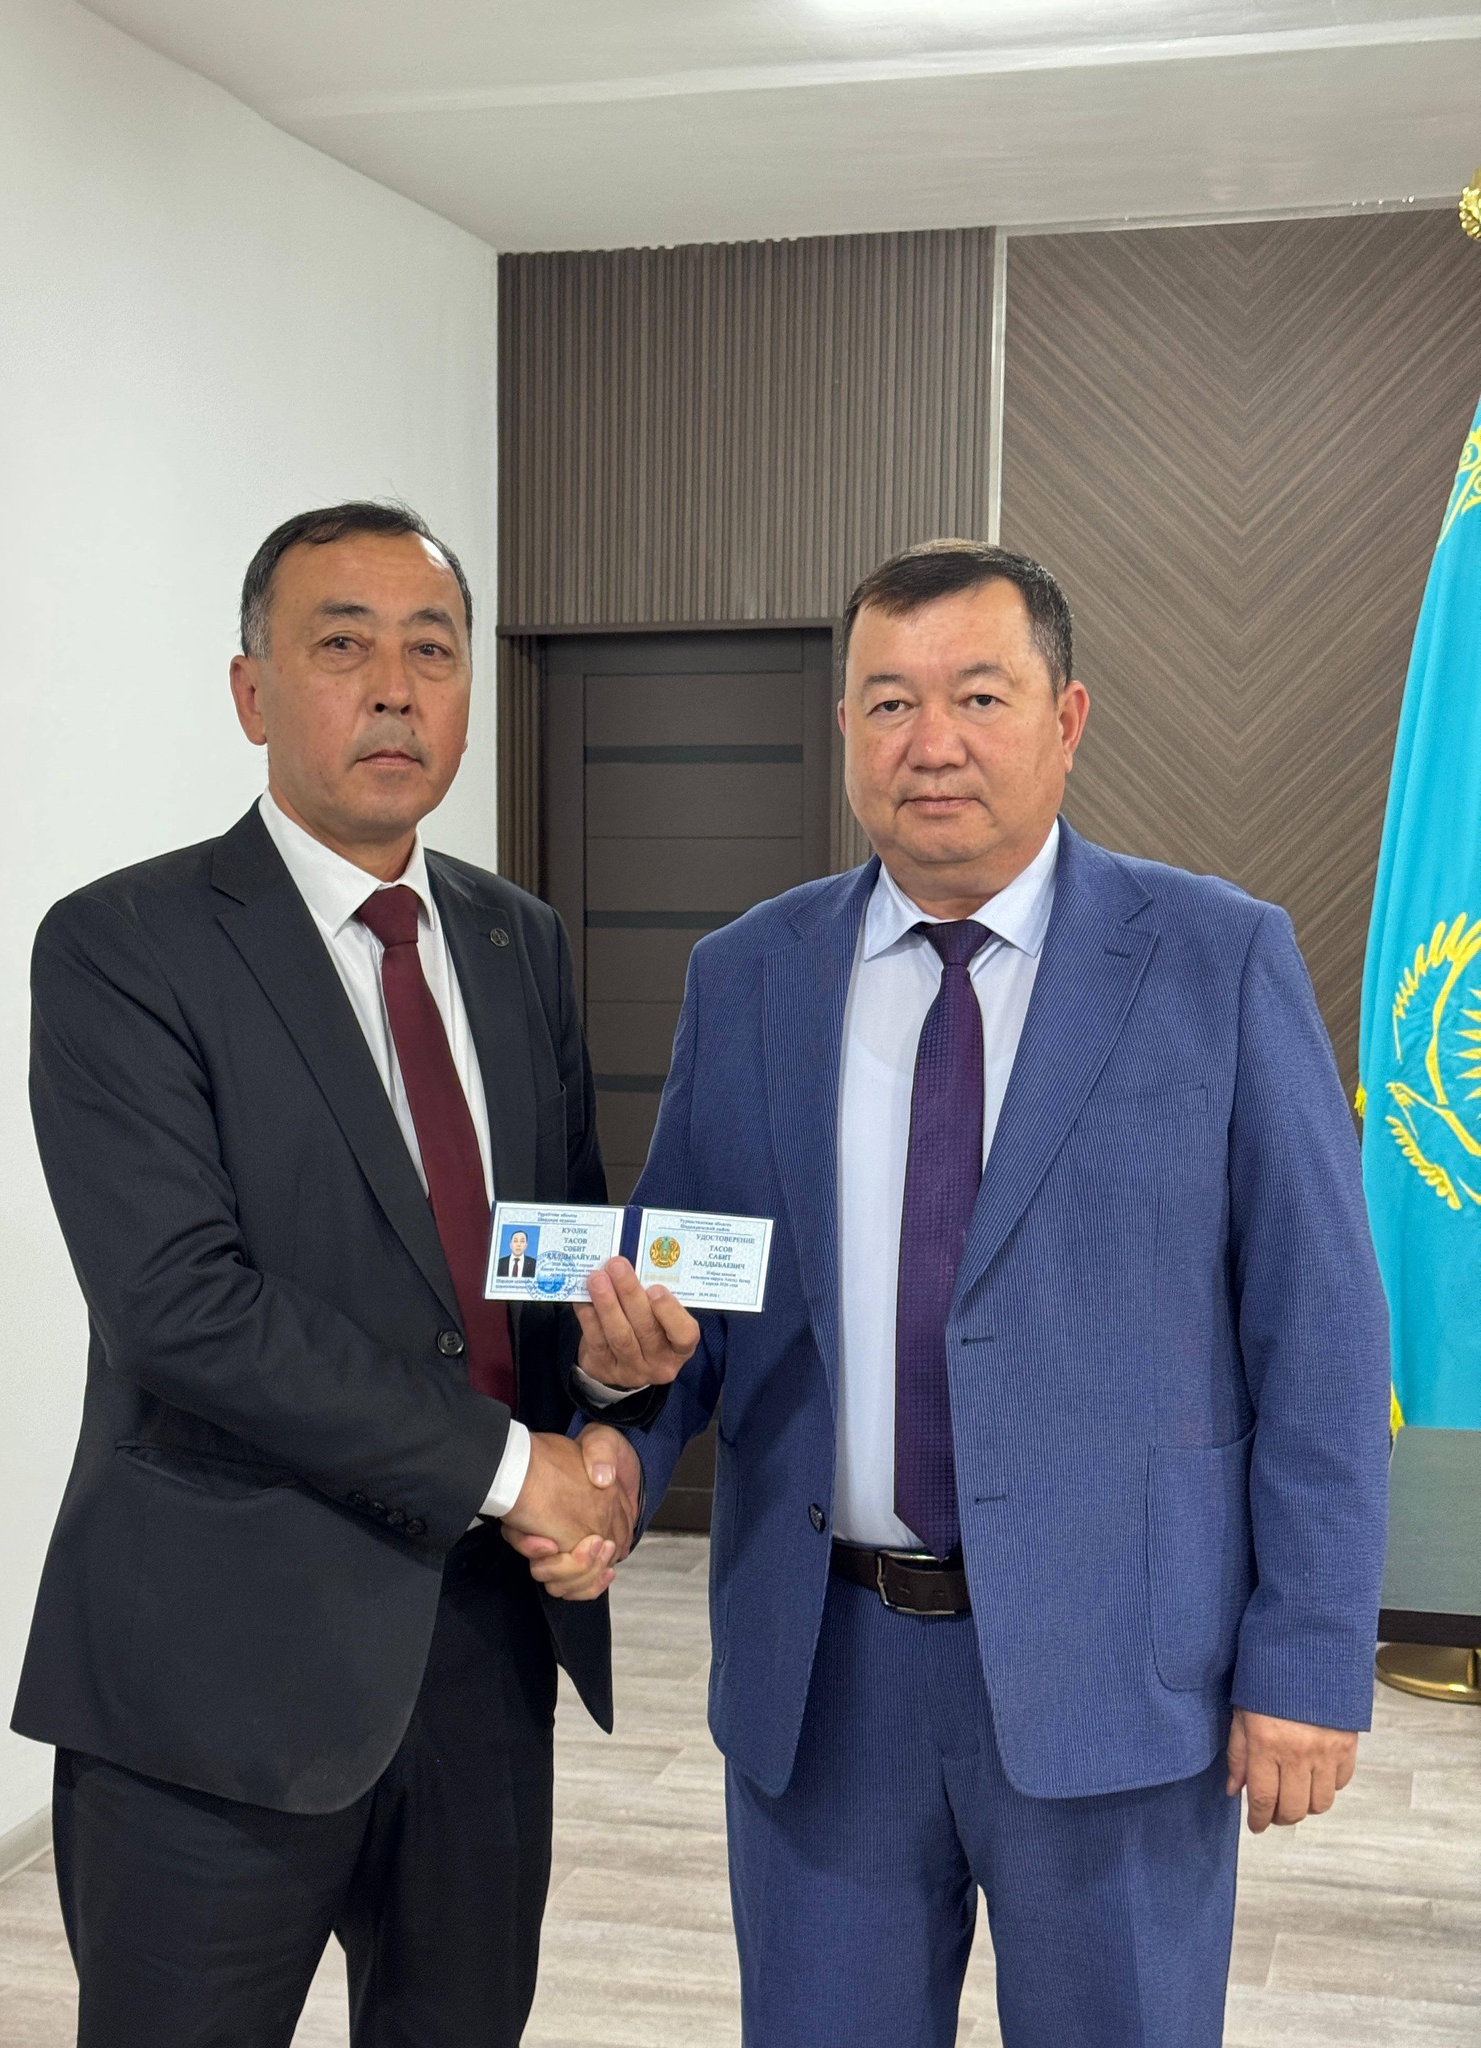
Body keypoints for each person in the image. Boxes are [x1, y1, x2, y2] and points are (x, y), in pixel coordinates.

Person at [551, 540, 1392, 2047]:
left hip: (1121, 1670)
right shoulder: (752, 975)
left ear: (1067, 719)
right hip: (827, 1679)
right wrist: (622, 1410)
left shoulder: (1214, 958)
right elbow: (687, 1298)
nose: (929, 742)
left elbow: (1320, 1337)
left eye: (979, 697)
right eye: (888, 703)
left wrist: (1311, 1655)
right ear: (845, 731)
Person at [15, 501, 640, 2048]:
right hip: (215, 1681)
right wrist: (519, 1467)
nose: (395, 690)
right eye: (343, 646)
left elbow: (547, 1251)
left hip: (484, 1659)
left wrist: (609, 1393)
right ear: (252, 691)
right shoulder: (124, 945)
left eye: (433, 651)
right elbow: (181, 1307)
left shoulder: (517, 941)